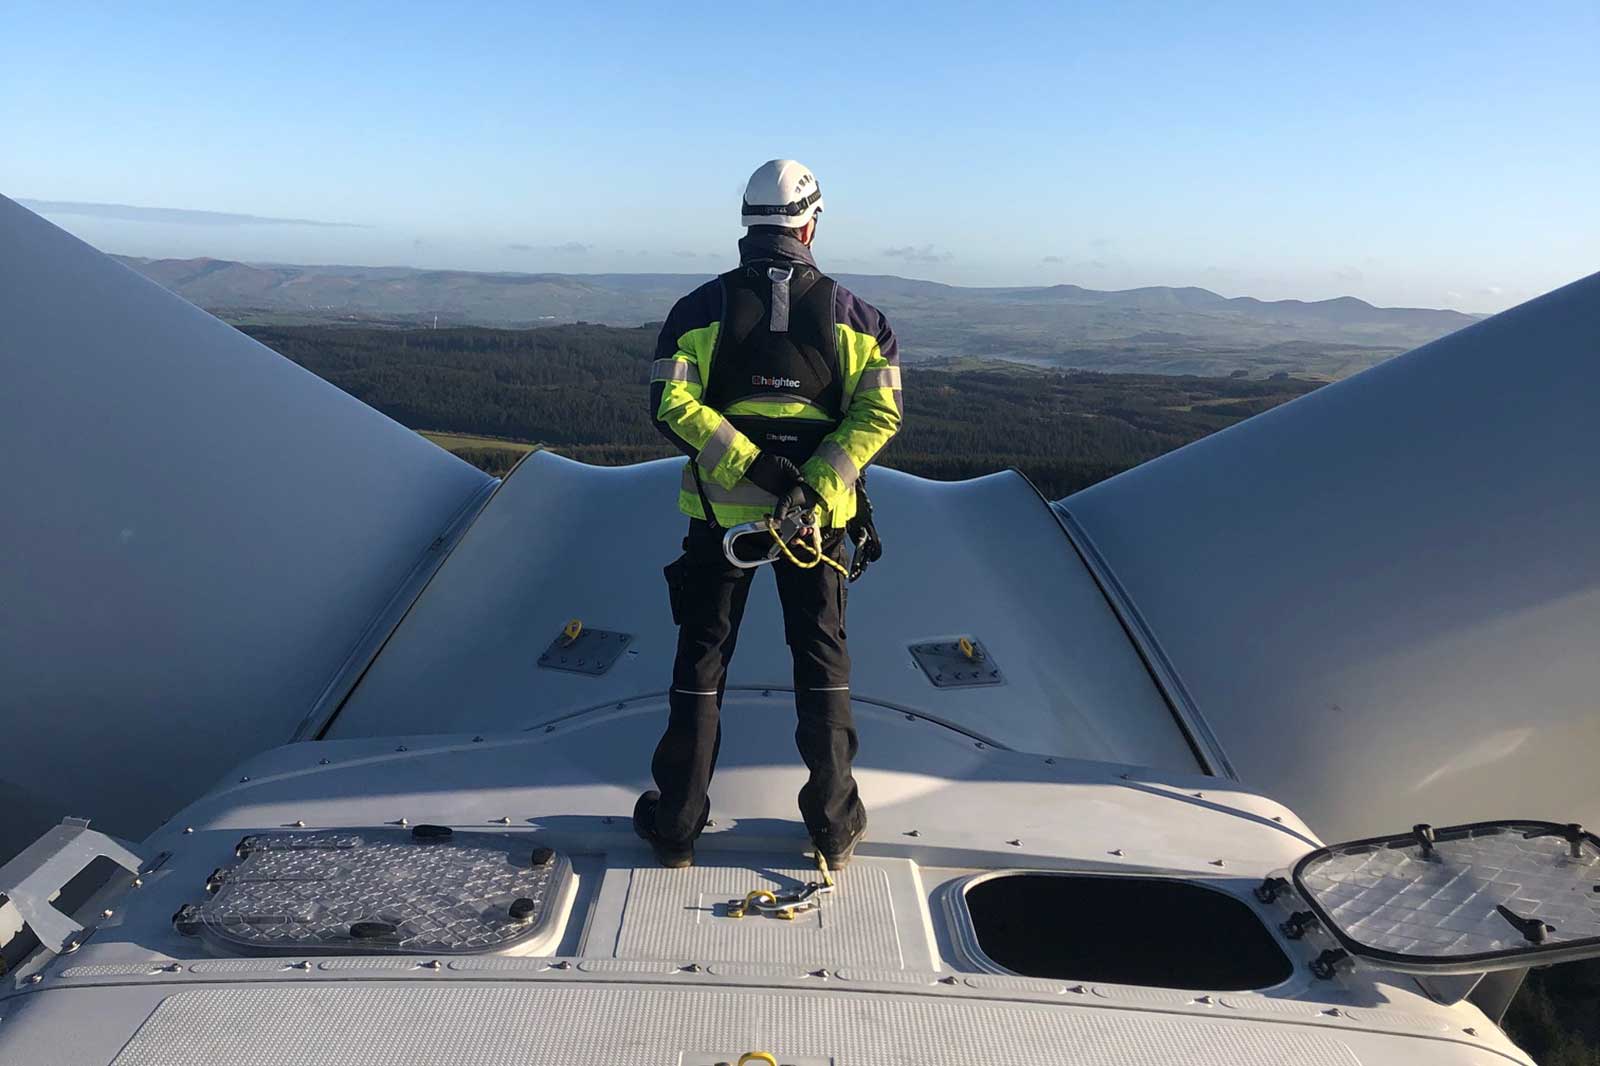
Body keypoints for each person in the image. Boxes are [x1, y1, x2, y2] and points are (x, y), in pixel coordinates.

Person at [634, 160, 903, 869]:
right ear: (811, 223)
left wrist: (753, 469)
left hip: (723, 525)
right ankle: (834, 824)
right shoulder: (860, 319)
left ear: (748, 223)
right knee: (821, 661)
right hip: (817, 528)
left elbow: (671, 406)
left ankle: (676, 826)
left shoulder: (698, 311)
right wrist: (809, 488)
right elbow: (881, 413)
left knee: (701, 662)